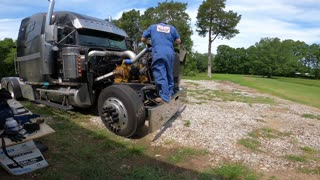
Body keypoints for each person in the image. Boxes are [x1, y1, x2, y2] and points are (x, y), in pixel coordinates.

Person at [141, 21, 181, 103]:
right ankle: (170, 93)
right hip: (170, 53)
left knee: (160, 73)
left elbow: (143, 39)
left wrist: (148, 43)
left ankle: (164, 97)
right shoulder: (172, 28)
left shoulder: (152, 27)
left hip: (158, 52)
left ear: (158, 23)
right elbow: (178, 41)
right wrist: (168, 41)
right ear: (165, 24)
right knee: (169, 73)